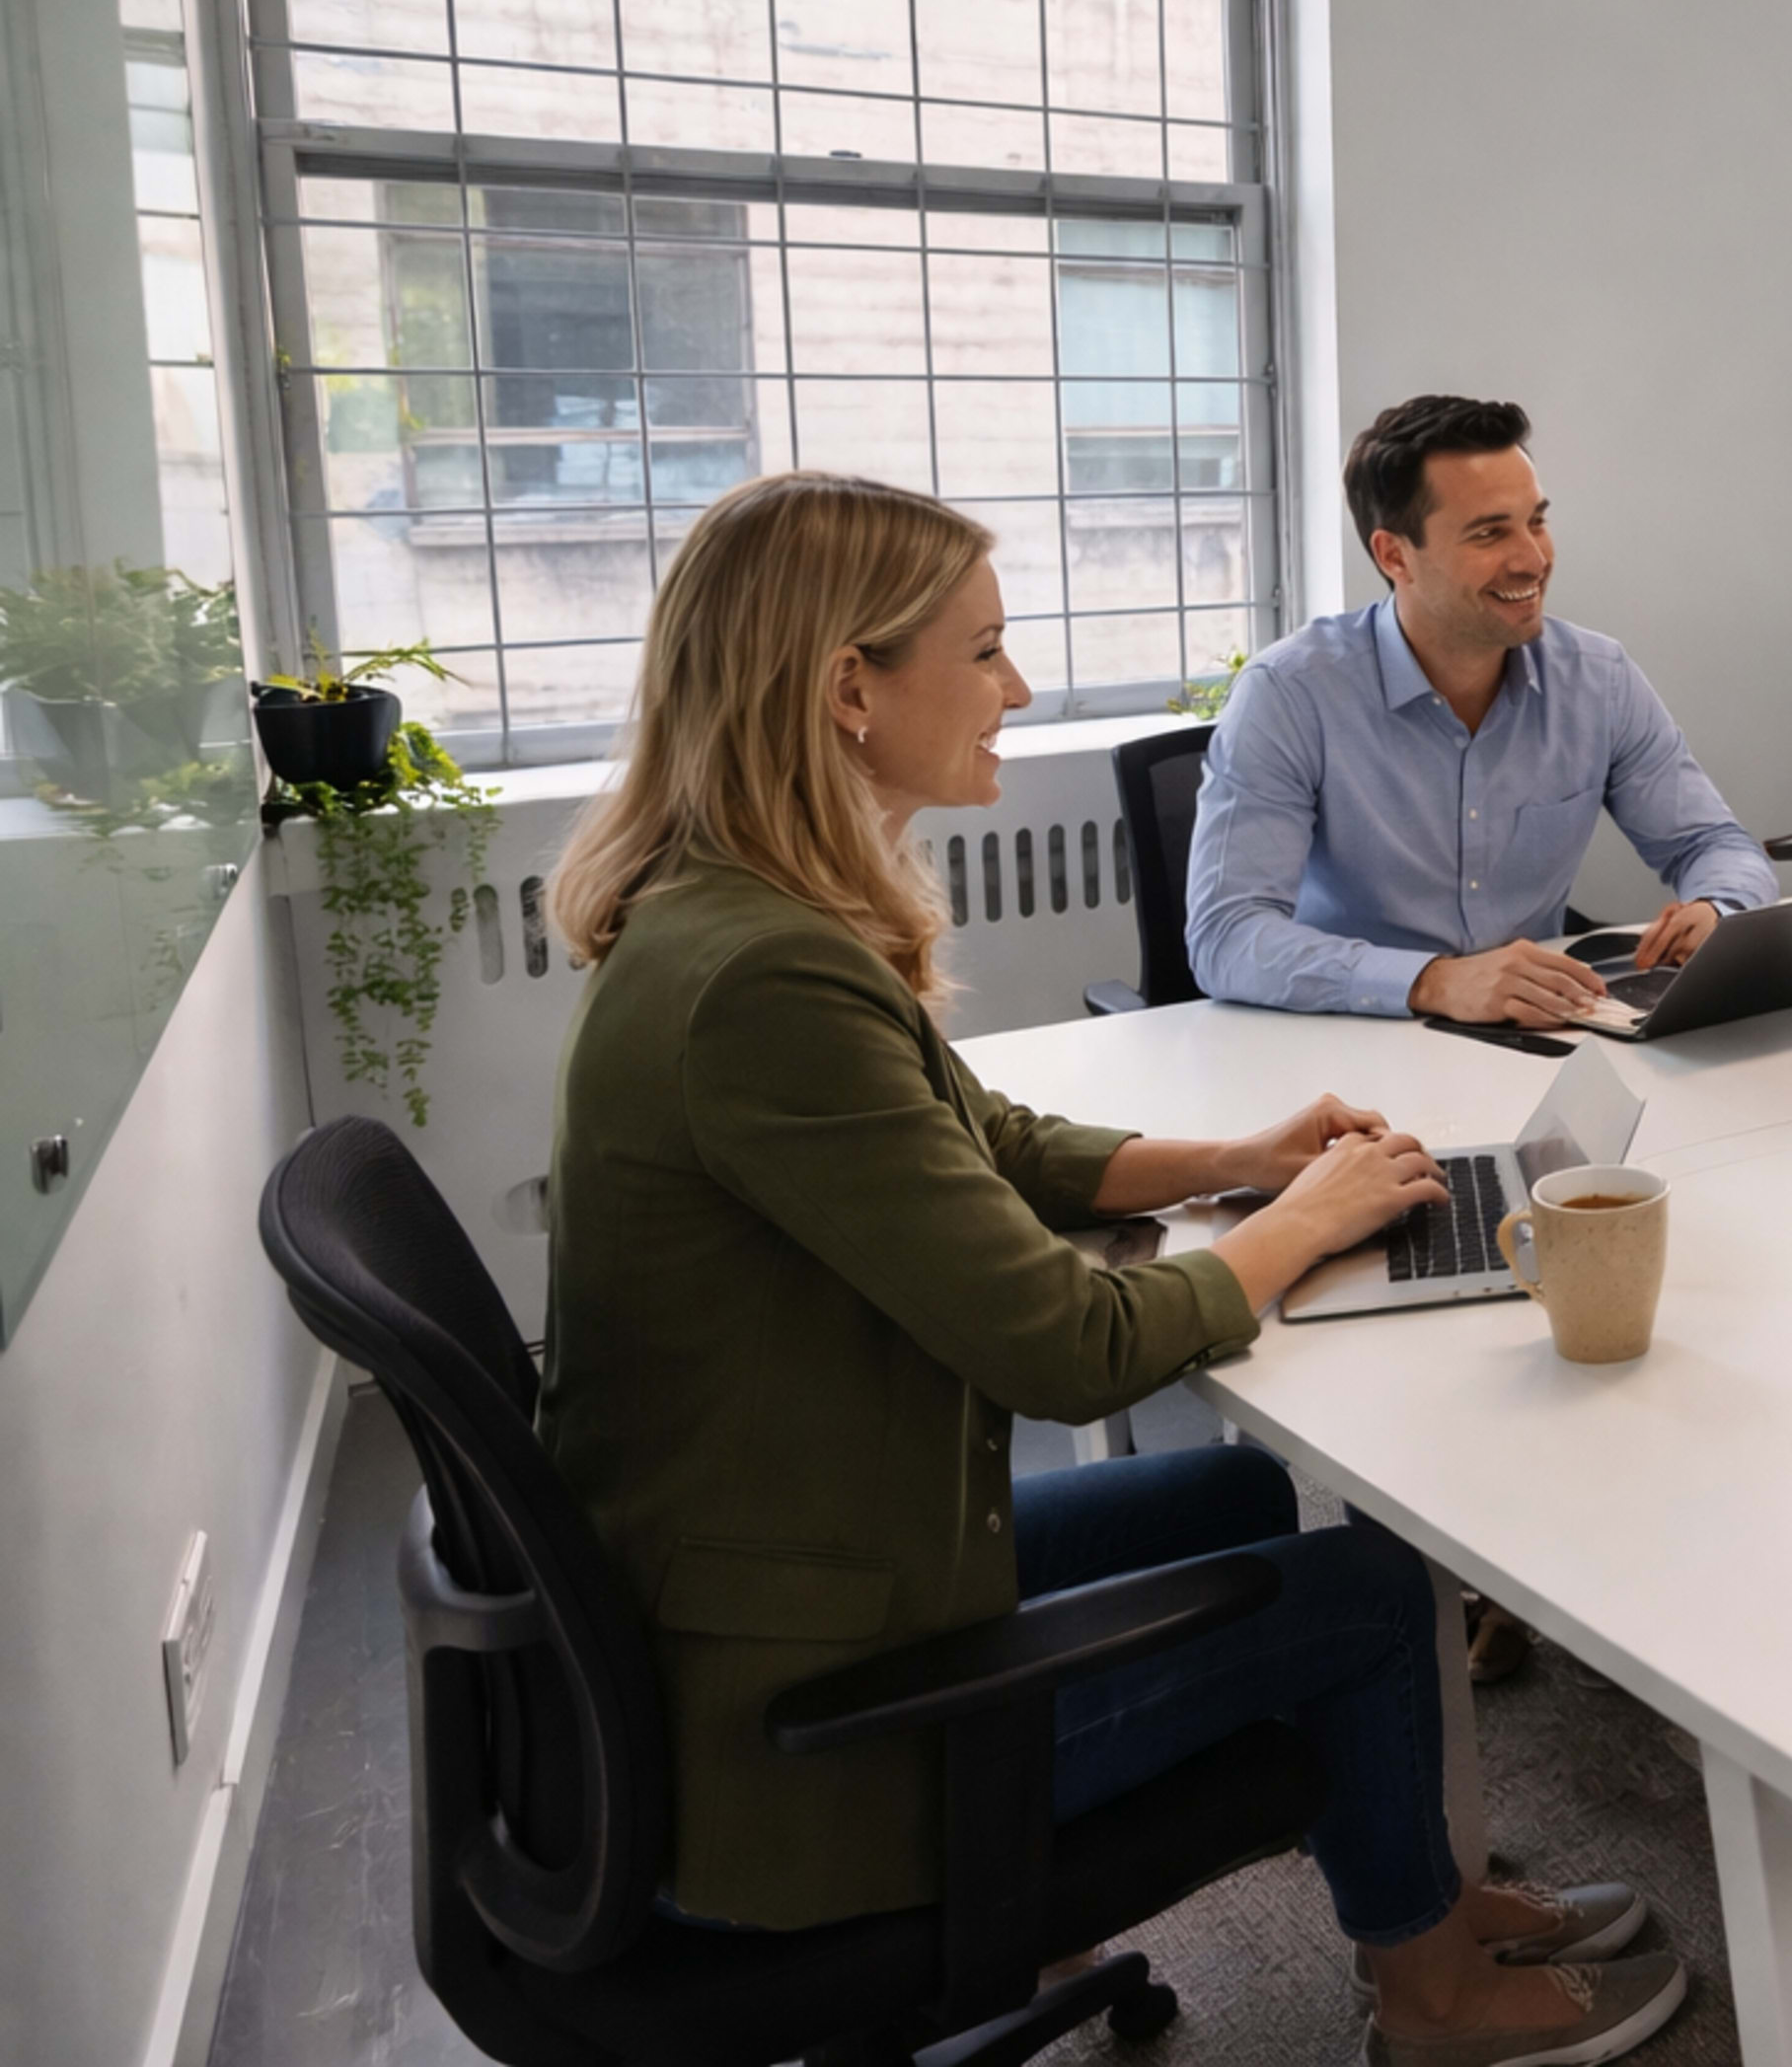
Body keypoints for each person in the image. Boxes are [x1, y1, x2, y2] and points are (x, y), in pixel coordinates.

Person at [538, 472, 1685, 2067]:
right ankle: (1431, 2004)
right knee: (1359, 1586)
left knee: (1255, 1506)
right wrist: (1313, 1220)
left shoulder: (738, 917)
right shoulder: (759, 983)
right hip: (803, 1741)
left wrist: (1243, 1164)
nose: (1018, 690)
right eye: (987, 652)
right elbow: (1071, 1349)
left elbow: (978, 1135)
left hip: (811, 1572)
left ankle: (1419, 1904)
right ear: (846, 690)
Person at [1186, 395, 1778, 1025]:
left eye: (1537, 521)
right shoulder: (1291, 693)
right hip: (1349, 1048)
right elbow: (1227, 936)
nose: (1533, 558)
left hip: (1532, 1038)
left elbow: (1713, 843)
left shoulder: (1597, 679)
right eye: (1490, 533)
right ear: (1394, 555)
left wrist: (1720, 908)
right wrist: (1434, 983)